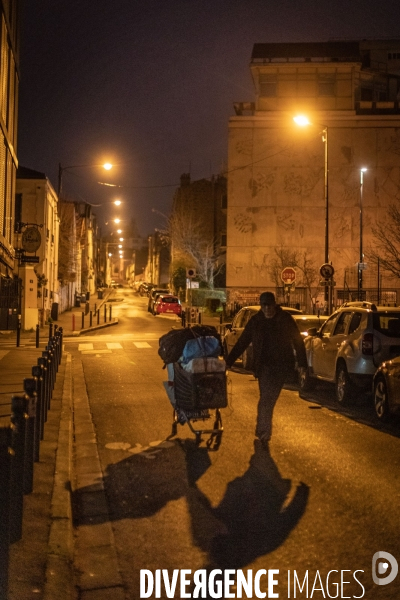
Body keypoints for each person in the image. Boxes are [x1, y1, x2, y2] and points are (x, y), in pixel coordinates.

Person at [225, 292, 307, 448]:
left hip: (281, 366)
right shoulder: (256, 322)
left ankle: (262, 429)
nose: (267, 309)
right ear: (261, 306)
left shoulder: (285, 319)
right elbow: (243, 341)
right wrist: (229, 361)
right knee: (266, 399)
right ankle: (263, 431)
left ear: (275, 304)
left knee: (268, 399)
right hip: (263, 367)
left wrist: (302, 363)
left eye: (270, 305)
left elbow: (297, 340)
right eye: (264, 305)